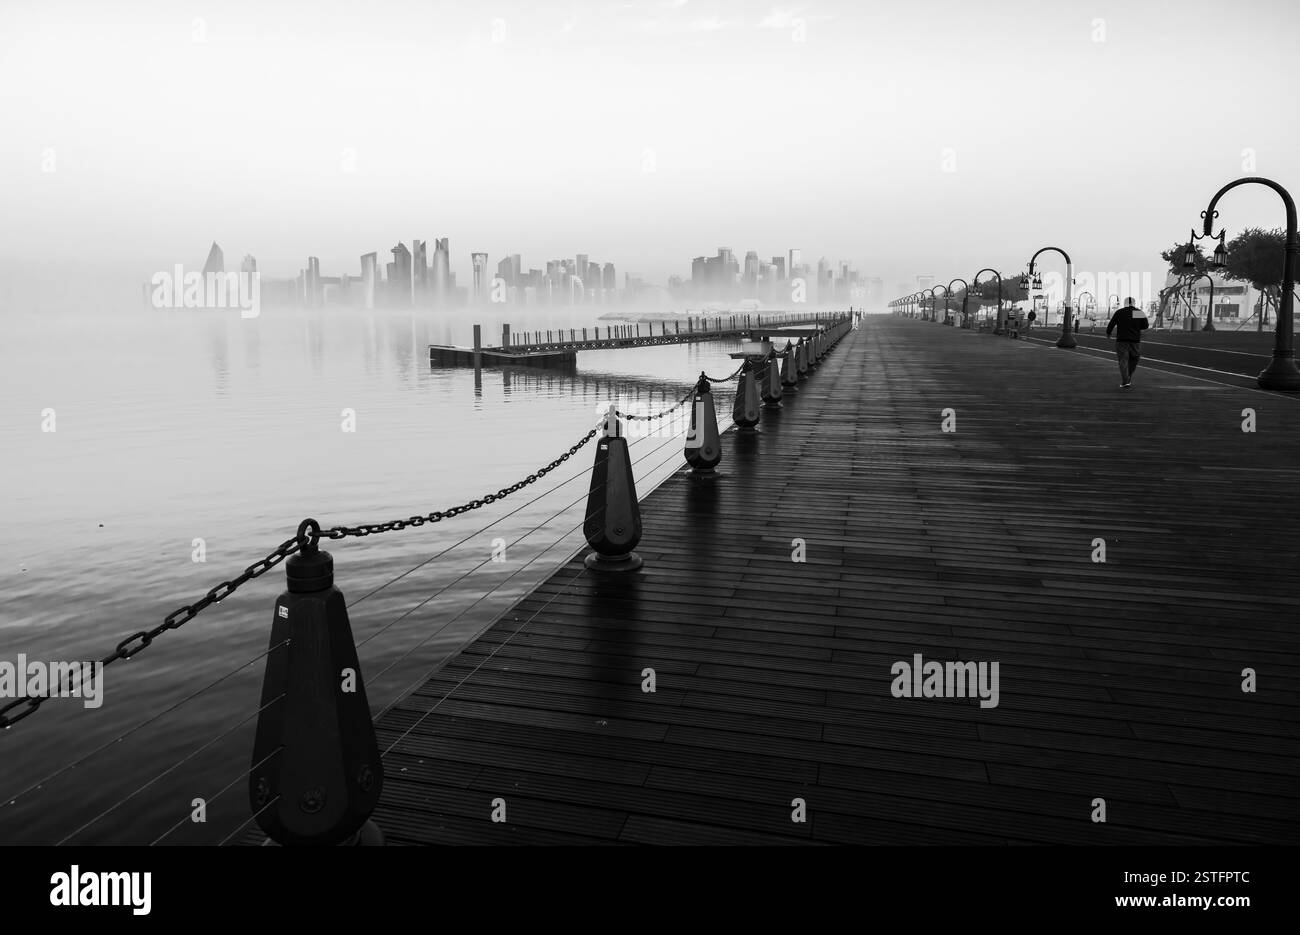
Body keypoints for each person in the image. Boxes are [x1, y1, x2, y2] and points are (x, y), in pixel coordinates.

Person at [1106, 296, 1149, 388]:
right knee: (1134, 359)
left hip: (1121, 340)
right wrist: (1136, 327)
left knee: (1123, 360)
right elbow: (1145, 326)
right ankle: (1128, 376)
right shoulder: (1138, 312)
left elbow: (1111, 324)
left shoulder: (1120, 312)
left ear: (1124, 303)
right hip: (1135, 341)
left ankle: (1125, 380)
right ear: (1134, 303)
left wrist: (1108, 333)